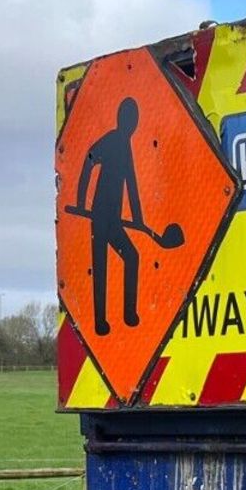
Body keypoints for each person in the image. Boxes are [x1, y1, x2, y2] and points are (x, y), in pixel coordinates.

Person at [75, 97, 147, 335]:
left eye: (133, 120)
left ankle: (128, 313)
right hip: (100, 216)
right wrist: (80, 201)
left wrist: (137, 218)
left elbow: (131, 184)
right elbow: (88, 161)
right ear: (124, 119)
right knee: (100, 266)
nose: (132, 124)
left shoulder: (125, 144)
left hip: (114, 218)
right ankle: (100, 322)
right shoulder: (112, 139)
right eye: (130, 119)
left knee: (132, 257)